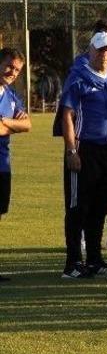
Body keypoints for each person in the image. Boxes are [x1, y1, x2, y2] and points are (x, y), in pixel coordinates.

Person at [54, 19, 107, 251]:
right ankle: (79, 244)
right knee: (84, 192)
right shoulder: (81, 67)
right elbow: (68, 113)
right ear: (92, 44)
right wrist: (71, 149)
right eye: (104, 43)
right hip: (86, 140)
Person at [60, 31, 107, 279]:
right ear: (90, 51)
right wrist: (71, 150)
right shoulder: (78, 78)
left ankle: (95, 260)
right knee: (78, 207)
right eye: (100, 50)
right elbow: (67, 115)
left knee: (100, 207)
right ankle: (72, 263)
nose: (105, 54)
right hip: (83, 149)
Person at [0, 48, 30, 283]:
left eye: (17, 69)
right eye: (9, 66)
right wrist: (12, 125)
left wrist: (5, 122)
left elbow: (27, 124)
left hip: (3, 164)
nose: (12, 72)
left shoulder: (10, 96)